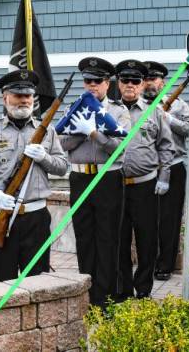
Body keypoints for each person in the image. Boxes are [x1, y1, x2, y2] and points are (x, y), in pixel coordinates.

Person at [0, 69, 68, 282]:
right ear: (5, 98)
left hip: (36, 217)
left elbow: (62, 167)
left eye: (28, 95)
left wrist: (44, 157)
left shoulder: (47, 131)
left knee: (39, 282)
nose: (24, 100)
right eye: (18, 95)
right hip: (0, 213)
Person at [60, 57, 131, 307]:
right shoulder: (74, 108)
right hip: (79, 176)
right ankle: (87, 295)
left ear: (107, 83)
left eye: (97, 80)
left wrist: (94, 133)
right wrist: (80, 132)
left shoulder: (118, 112)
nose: (91, 85)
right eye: (87, 80)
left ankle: (106, 297)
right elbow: (62, 143)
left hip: (107, 177)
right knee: (84, 238)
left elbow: (119, 148)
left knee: (107, 238)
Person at [115, 59, 175, 300]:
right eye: (125, 80)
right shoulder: (110, 111)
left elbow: (166, 146)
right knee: (119, 239)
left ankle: (143, 289)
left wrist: (165, 176)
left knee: (147, 239)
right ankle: (122, 288)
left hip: (145, 185)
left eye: (135, 81)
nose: (130, 84)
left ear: (141, 85)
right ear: (118, 83)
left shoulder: (155, 112)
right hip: (115, 186)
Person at [143, 61, 189, 281]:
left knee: (169, 220)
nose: (148, 83)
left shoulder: (179, 106)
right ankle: (147, 262)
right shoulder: (137, 106)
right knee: (147, 218)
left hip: (173, 166)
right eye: (145, 79)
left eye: (153, 79)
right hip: (146, 169)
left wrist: (168, 118)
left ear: (163, 81)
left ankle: (165, 265)